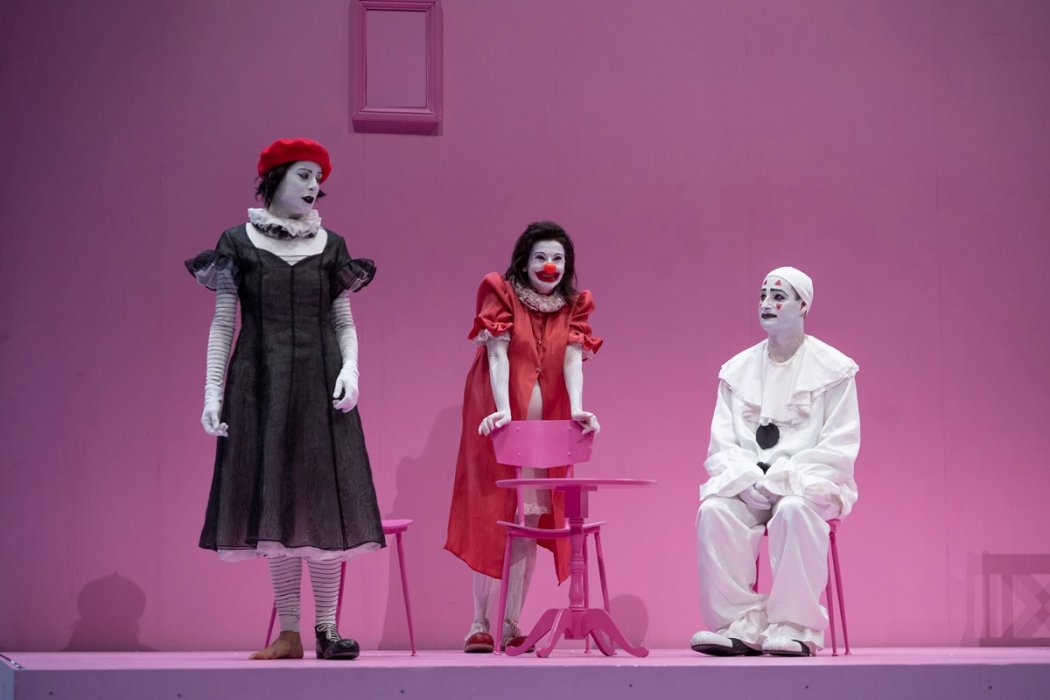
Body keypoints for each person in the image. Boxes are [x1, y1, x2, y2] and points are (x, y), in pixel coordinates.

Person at [185, 138, 385, 660]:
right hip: (261, 384)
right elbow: (223, 322)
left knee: (322, 501)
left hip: (320, 383)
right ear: (274, 178)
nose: (314, 185)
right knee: (274, 500)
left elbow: (343, 319)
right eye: (303, 174)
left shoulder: (331, 245)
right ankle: (290, 632)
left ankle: (327, 628)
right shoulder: (237, 242)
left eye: (319, 177)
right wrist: (211, 391)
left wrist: (352, 369)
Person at [445, 221, 603, 653]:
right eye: (540, 257)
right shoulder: (501, 293)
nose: (549, 265)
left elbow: (572, 361)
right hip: (497, 420)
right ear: (524, 260)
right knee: (494, 515)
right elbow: (496, 355)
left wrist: (577, 407)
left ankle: (511, 620)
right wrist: (503, 411)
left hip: (545, 429)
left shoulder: (574, 306)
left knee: (529, 521)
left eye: (558, 258)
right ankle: (479, 622)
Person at [690, 267, 859, 657]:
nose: (767, 303)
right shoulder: (737, 371)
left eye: (779, 297)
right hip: (749, 485)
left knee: (794, 510)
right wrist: (745, 478)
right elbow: (722, 442)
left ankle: (795, 626)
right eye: (763, 295)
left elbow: (838, 445)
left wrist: (785, 479)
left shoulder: (834, 370)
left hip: (806, 485)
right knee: (714, 511)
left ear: (803, 305)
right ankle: (739, 623)